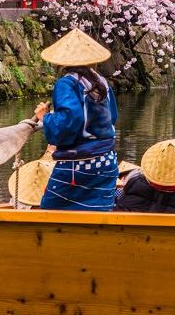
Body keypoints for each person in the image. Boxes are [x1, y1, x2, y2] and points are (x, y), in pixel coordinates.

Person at [35, 28, 118, 211]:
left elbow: (69, 121)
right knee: (99, 211)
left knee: (51, 210)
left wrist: (45, 117)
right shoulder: (102, 82)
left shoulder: (67, 83)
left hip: (78, 165)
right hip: (107, 160)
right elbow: (113, 117)